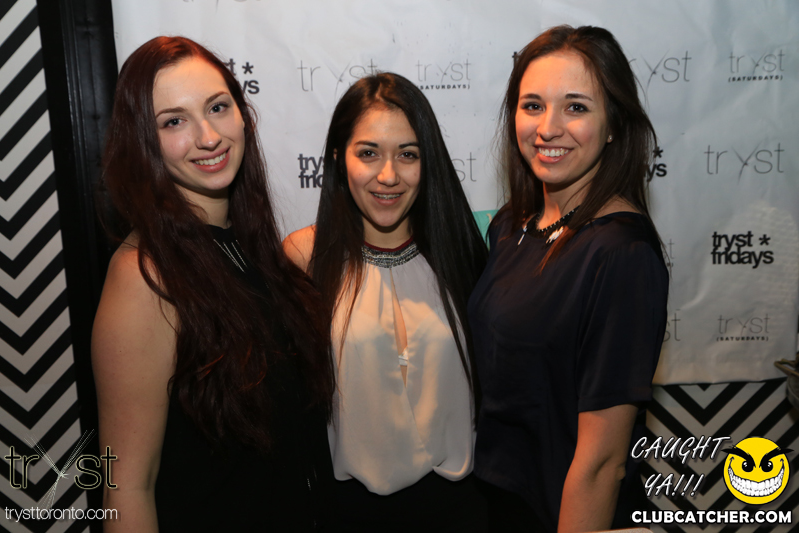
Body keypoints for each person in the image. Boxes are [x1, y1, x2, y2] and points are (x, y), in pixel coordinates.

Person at [92, 36, 335, 532]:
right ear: (143, 141)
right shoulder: (144, 275)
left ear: (242, 115)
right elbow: (127, 487)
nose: (208, 137)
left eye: (217, 107)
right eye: (173, 121)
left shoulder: (251, 247)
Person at [468, 25, 669, 532]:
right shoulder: (511, 225)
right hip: (498, 504)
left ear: (614, 124)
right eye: (532, 105)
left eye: (575, 107)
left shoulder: (621, 254)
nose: (548, 128)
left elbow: (602, 463)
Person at [283, 72, 489, 531]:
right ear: (338, 158)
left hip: (458, 512)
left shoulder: (459, 252)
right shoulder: (304, 257)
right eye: (368, 153)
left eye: (408, 154)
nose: (389, 175)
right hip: (346, 516)